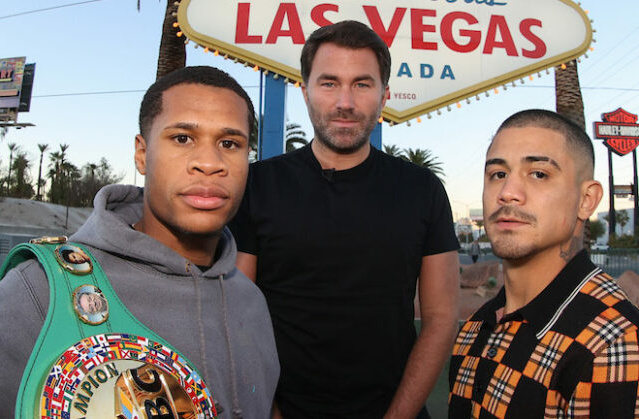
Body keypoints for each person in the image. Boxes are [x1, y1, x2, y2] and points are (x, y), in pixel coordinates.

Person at [0, 66, 279, 417]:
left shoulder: (251, 300)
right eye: (182, 138)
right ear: (142, 154)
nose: (209, 163)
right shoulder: (38, 294)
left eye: (229, 143)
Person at [230, 20, 460, 418]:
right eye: (329, 82)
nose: (345, 102)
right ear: (305, 92)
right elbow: (236, 313)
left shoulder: (422, 190)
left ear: (384, 95)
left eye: (362, 84)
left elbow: (441, 318)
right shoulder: (257, 185)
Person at [449, 109, 639, 418]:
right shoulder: (475, 328)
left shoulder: (613, 344)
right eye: (498, 174)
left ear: (586, 200)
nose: (507, 193)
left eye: (539, 174)